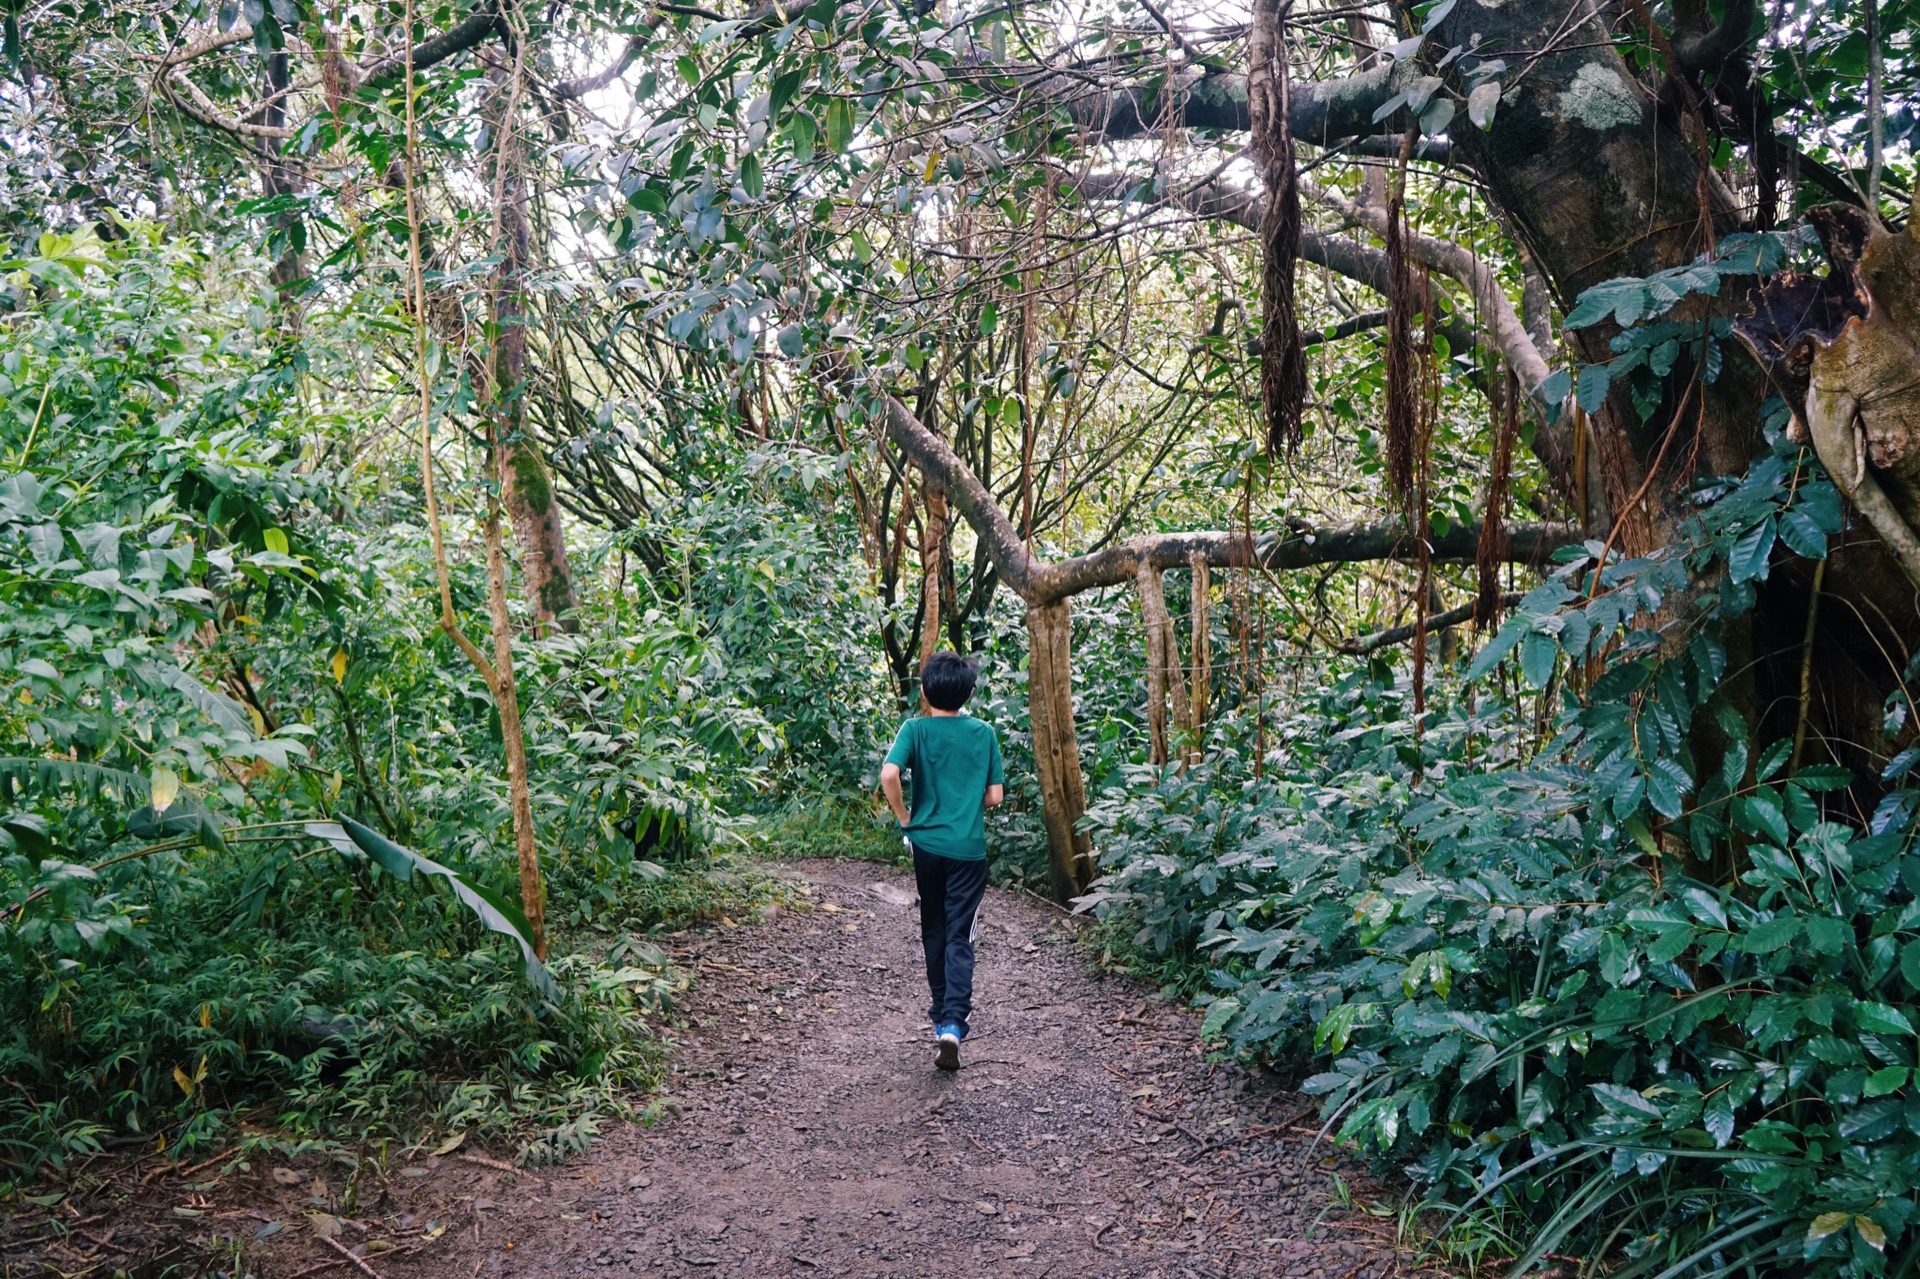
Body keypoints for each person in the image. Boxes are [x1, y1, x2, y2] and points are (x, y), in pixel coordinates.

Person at [879, 651, 1005, 1073]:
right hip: (968, 850)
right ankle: (953, 1022)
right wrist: (966, 798)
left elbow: (889, 774)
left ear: (924, 690)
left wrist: (905, 819)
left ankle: (939, 1017)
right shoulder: (983, 733)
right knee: (960, 934)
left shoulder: (914, 729)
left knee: (933, 927)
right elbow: (995, 797)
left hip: (927, 847)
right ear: (969, 693)